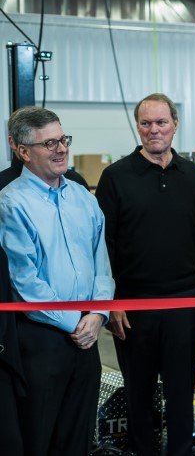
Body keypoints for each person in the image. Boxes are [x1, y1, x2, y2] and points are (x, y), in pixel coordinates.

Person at [95, 93, 195, 456]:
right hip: (133, 309)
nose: (154, 130)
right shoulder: (116, 177)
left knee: (181, 395)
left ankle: (180, 451)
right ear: (138, 127)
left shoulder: (194, 176)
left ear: (175, 125)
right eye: (146, 123)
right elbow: (104, 246)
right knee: (138, 395)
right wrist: (112, 304)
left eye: (161, 122)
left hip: (185, 305)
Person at [0, 106, 115, 456]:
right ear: (21, 150)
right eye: (49, 143)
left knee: (78, 440)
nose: (61, 148)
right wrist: (74, 322)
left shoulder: (82, 197)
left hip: (88, 336)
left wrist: (97, 316)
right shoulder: (10, 203)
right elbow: (24, 281)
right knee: (40, 438)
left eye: (62, 139)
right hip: (41, 343)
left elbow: (102, 264)